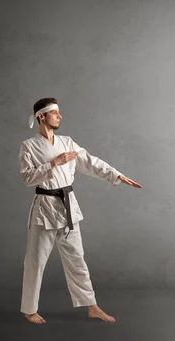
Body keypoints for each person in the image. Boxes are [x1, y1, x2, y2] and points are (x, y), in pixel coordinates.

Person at [18, 97, 142, 324]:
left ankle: (92, 306)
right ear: (41, 116)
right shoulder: (29, 146)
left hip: (68, 208)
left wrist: (116, 175)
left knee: (77, 259)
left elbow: (90, 162)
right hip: (44, 208)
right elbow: (26, 178)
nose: (60, 116)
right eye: (55, 112)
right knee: (35, 261)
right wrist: (54, 163)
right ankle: (29, 309)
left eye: (59, 112)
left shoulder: (67, 142)